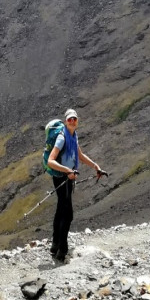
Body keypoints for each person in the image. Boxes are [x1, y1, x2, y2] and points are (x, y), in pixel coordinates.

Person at [46, 108, 105, 262]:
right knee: (68, 214)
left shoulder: (73, 135)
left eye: (74, 119)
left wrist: (96, 166)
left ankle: (55, 245)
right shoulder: (62, 137)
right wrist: (67, 171)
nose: (72, 121)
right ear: (66, 121)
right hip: (62, 177)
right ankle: (62, 250)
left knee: (61, 210)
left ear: (77, 121)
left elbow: (80, 155)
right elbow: (50, 161)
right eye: (69, 119)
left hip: (68, 176)